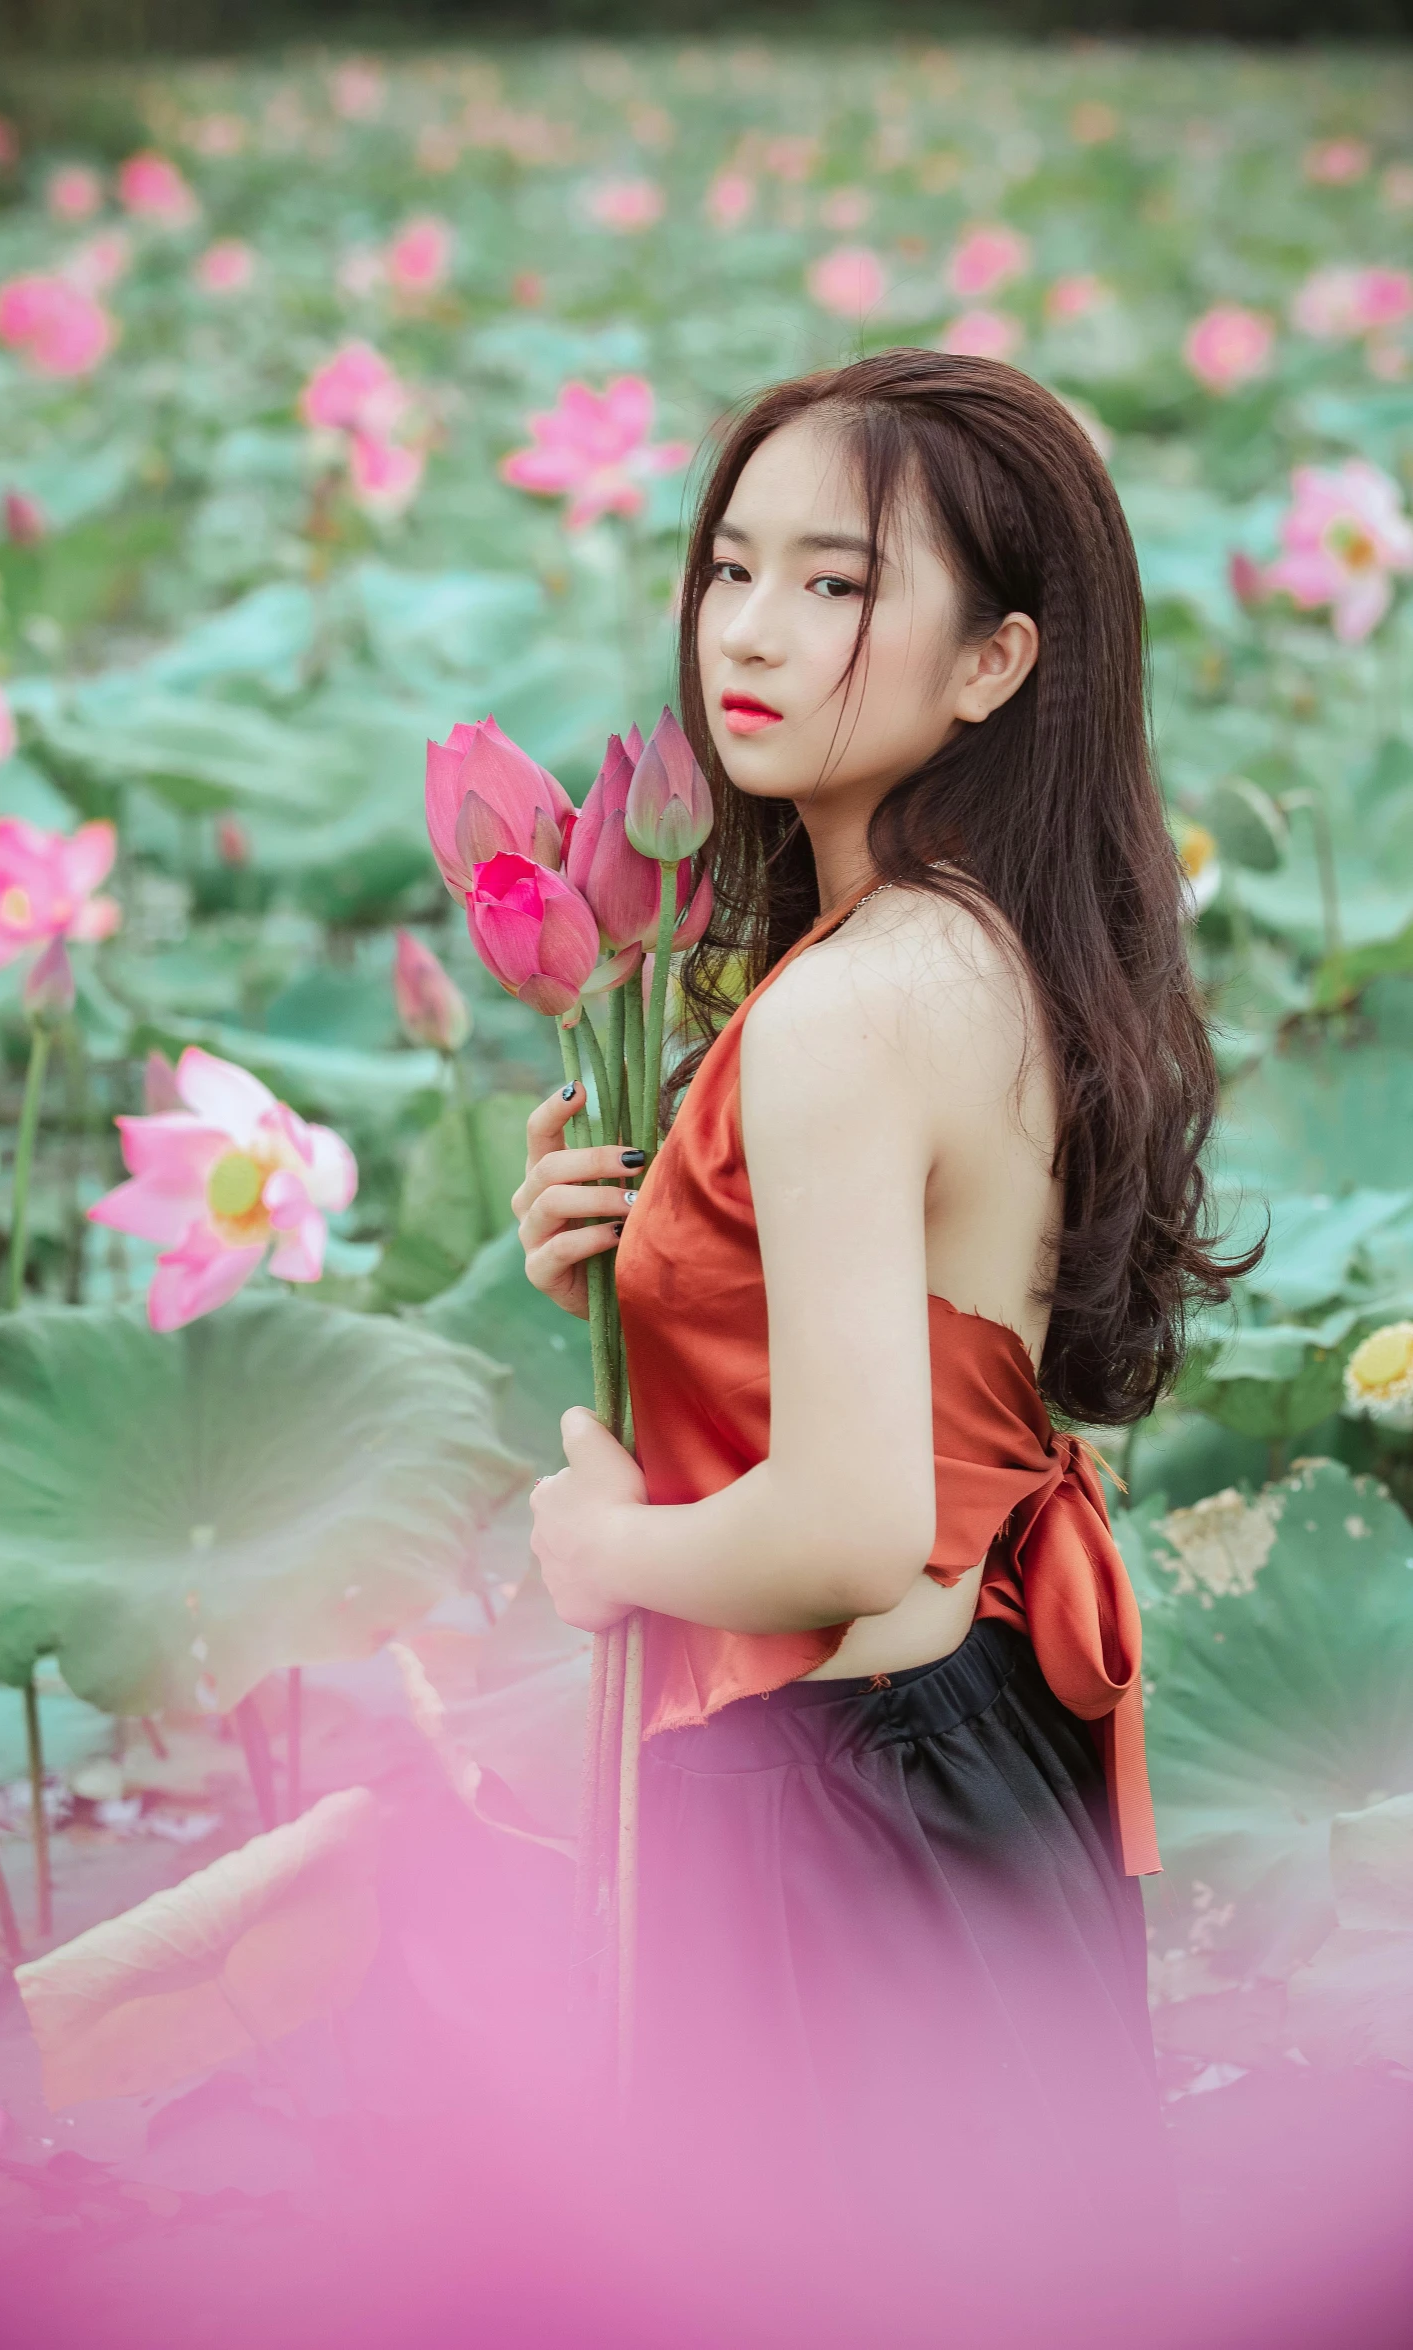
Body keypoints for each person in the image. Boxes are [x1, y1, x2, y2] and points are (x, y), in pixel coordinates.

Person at [512, 352, 1253, 2340]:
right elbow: (916, 1351)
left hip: (840, 1808)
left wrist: (607, 1551)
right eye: (732, 567)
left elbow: (851, 1520)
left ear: (999, 662)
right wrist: (643, 1245)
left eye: (835, 585)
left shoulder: (846, 1013)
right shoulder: (964, 949)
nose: (748, 631)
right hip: (970, 1754)